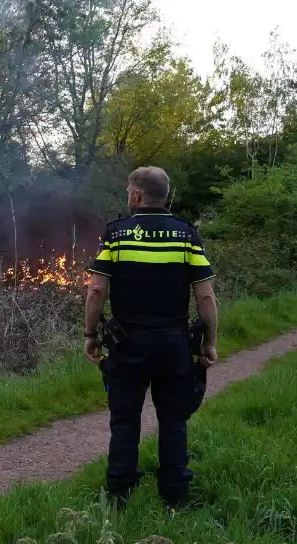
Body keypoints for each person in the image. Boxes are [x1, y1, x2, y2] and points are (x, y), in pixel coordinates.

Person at [83, 166, 219, 513]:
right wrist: (209, 342)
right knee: (174, 420)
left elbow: (97, 288)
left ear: (138, 195)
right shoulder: (187, 236)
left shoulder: (116, 235)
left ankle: (118, 496)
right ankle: (175, 497)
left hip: (127, 344)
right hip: (174, 344)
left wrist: (91, 334)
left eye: (129, 191)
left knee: (125, 420)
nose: (128, 196)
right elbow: (205, 297)